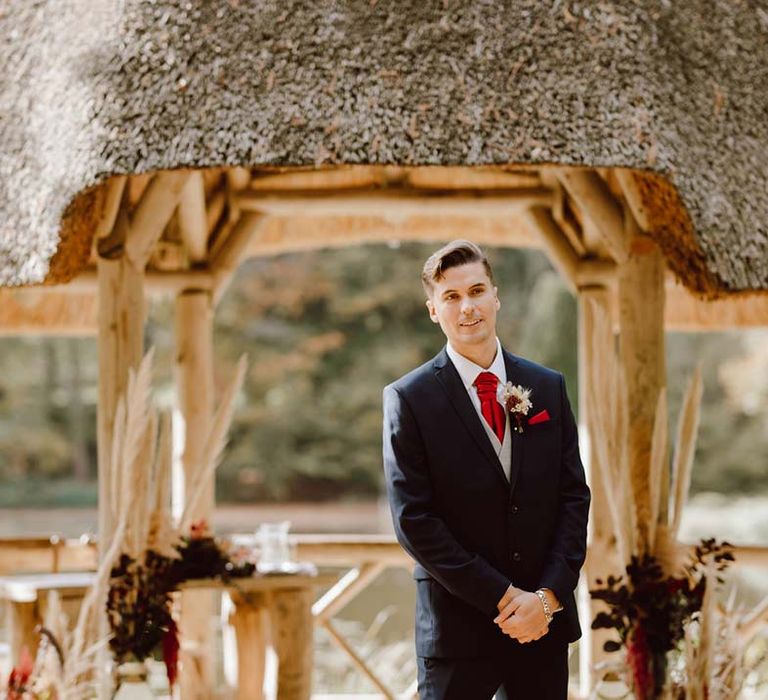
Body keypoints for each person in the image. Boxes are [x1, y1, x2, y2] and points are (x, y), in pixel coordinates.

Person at [382, 240, 591, 699]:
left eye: (476, 291)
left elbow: (574, 499)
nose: (468, 307)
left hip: (542, 628)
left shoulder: (547, 387)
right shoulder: (409, 399)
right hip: (457, 635)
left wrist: (546, 598)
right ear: (433, 310)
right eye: (451, 297)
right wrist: (504, 597)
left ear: (496, 296)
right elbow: (414, 521)